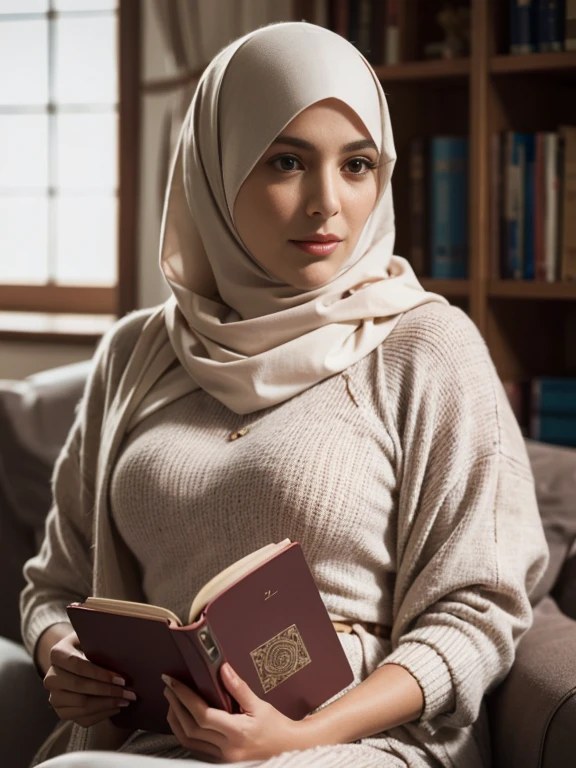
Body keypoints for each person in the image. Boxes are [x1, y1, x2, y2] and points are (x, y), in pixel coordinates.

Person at [19, 21, 549, 768]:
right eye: (288, 161)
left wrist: (298, 738)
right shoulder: (137, 354)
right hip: (155, 741)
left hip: (363, 740)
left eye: (357, 164)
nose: (326, 203)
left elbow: (478, 612)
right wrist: (60, 658)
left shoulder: (428, 346)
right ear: (216, 166)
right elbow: (56, 585)